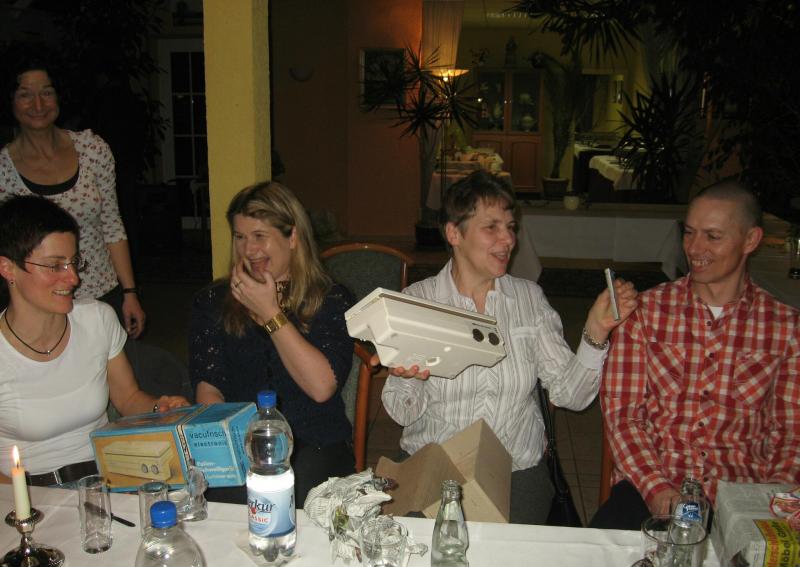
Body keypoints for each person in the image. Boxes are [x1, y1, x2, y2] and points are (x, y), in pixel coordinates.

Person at [379, 170, 638, 524]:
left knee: (502, 548)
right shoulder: (418, 302)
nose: (508, 239)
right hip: (433, 462)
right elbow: (402, 413)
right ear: (454, 233)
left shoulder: (528, 299)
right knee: (425, 547)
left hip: (516, 467)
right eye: (492, 227)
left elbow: (572, 396)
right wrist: (410, 377)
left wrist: (595, 331)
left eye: (511, 227)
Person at [591, 180, 800, 530]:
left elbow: (791, 434)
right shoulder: (645, 313)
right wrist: (658, 490)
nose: (694, 248)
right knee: (595, 557)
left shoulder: (786, 328)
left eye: (712, 236)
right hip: (652, 484)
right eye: (689, 233)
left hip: (742, 493)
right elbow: (624, 417)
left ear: (751, 240)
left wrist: (770, 505)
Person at [0, 195, 188, 486]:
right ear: (8, 268)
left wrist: (160, 409)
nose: (73, 278)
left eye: (74, 262)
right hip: (27, 493)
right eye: (55, 266)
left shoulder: (97, 319)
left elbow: (127, 398)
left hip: (104, 481)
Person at [188, 181, 355, 507]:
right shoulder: (212, 302)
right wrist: (227, 451)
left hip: (317, 442)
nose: (249, 249)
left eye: (259, 236)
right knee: (225, 499)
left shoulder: (330, 299)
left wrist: (270, 314)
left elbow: (321, 387)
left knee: (295, 494)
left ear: (292, 238)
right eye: (240, 237)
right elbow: (209, 389)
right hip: (243, 448)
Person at [0, 57, 146, 337]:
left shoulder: (93, 149)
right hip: (40, 304)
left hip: (102, 294)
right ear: (10, 102)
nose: (38, 104)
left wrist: (129, 292)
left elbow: (112, 225)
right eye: (25, 95)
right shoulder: (3, 169)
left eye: (46, 92)